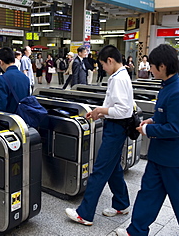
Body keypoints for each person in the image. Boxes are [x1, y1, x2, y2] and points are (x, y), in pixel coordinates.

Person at [114, 44, 179, 236]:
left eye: (152, 66)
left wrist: (148, 129)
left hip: (173, 159)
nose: (149, 69)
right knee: (148, 192)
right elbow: (167, 116)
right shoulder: (167, 87)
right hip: (159, 155)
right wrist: (153, 120)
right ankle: (136, 230)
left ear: (162, 66)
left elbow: (177, 128)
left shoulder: (178, 91)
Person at [65, 45, 133, 226]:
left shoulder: (118, 79)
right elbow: (119, 107)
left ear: (110, 60)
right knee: (113, 168)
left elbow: (123, 110)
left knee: (100, 170)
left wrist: (101, 109)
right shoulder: (121, 75)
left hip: (116, 129)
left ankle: (85, 214)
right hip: (116, 126)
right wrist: (101, 113)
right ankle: (121, 203)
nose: (102, 68)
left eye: (103, 64)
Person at [0, 47, 30, 113]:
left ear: (1, 62)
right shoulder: (25, 78)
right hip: (22, 118)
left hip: (9, 120)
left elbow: (1, 106)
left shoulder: (1, 79)